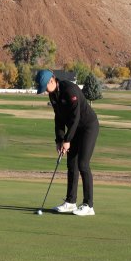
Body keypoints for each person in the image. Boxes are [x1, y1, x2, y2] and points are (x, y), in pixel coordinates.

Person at [35, 69, 99, 216]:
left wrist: (67, 140)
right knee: (71, 164)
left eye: (45, 87)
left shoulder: (70, 90)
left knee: (83, 164)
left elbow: (76, 118)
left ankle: (89, 205)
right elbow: (59, 119)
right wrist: (59, 140)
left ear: (52, 80)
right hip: (74, 129)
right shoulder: (53, 95)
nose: (45, 91)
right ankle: (70, 202)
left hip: (88, 127)